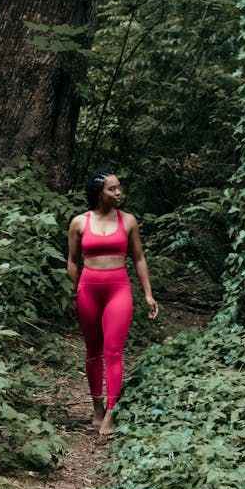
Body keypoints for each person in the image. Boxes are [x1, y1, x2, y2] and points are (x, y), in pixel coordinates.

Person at [67, 170, 159, 437]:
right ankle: (96, 405)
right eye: (112, 189)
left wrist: (148, 294)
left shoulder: (129, 221)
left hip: (118, 289)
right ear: (99, 193)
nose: (119, 193)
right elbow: (73, 261)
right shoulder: (79, 223)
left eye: (119, 188)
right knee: (93, 350)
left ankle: (111, 411)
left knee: (114, 351)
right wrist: (71, 295)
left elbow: (139, 258)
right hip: (88, 290)